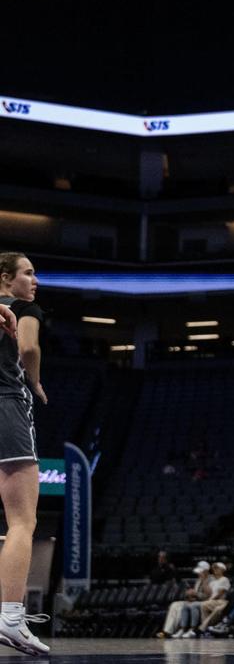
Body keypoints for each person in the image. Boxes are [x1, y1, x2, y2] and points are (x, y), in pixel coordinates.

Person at [0, 253, 49, 655]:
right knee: (22, 520)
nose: (35, 280)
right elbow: (29, 347)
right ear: (6, 278)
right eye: (28, 273)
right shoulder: (24, 308)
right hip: (7, 408)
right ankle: (10, 618)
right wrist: (33, 382)